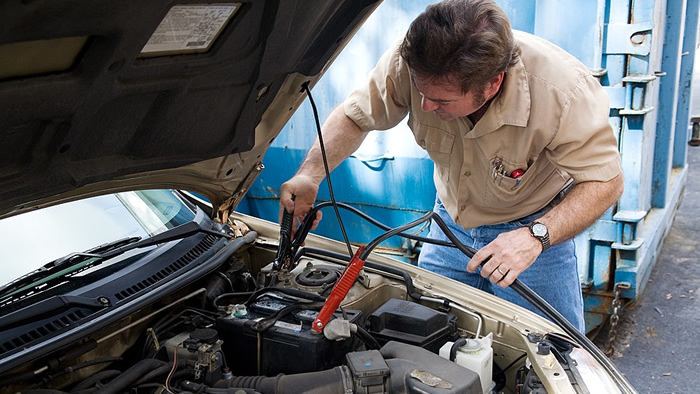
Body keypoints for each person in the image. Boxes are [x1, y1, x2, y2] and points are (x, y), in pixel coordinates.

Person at [279, 0, 623, 332]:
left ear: (493, 84)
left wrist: (535, 238)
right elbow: (356, 116)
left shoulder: (562, 91)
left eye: (441, 100)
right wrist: (311, 174)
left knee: (556, 356)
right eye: (420, 92)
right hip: (450, 227)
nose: (425, 106)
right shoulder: (412, 60)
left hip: (533, 233)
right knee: (426, 339)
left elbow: (605, 182)